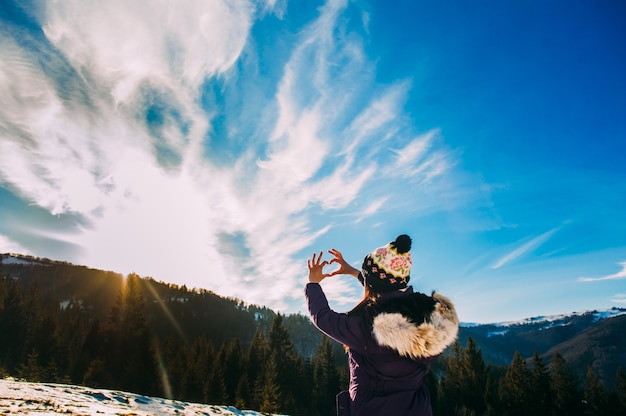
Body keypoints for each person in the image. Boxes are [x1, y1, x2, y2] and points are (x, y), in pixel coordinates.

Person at [305, 234, 459, 416]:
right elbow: (389, 290)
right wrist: (354, 272)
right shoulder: (424, 313)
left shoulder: (368, 328)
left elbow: (323, 318)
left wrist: (313, 283)